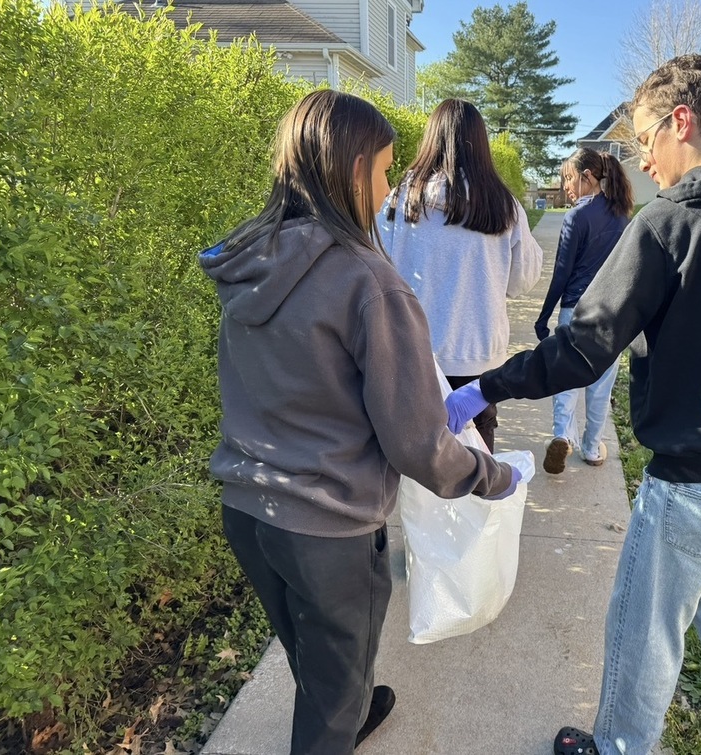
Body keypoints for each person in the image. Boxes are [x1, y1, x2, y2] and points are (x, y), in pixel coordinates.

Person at [446, 53, 701, 755]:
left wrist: (485, 385)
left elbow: (584, 345)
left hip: (697, 479)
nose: (644, 158)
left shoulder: (669, 222)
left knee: (642, 632)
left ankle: (616, 747)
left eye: (645, 136)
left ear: (680, 122)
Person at [199, 89, 518, 755]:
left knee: (309, 643)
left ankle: (345, 702)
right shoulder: (368, 281)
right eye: (382, 171)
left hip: (249, 510)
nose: (385, 190)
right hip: (329, 531)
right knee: (333, 689)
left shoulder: (249, 260)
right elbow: (418, 442)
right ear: (351, 172)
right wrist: (489, 474)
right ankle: (338, 717)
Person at [378, 98, 542, 452]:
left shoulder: (401, 200)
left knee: (411, 467)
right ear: (481, 144)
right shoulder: (503, 205)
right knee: (476, 465)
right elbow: (523, 279)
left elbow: (376, 269)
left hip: (412, 357)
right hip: (478, 362)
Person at [534, 148, 633, 474]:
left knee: (566, 380)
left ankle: (562, 436)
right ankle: (591, 448)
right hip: (611, 314)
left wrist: (544, 314)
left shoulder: (576, 217)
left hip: (576, 310)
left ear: (588, 176)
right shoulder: (623, 217)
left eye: (569, 178)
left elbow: (562, 273)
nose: (566, 187)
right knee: (600, 385)